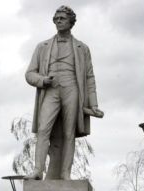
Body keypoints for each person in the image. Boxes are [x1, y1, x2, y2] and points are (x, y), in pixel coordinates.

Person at [24, 5, 103, 180]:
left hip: (72, 87)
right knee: (43, 129)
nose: (58, 21)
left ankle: (65, 173)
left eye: (62, 18)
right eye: (56, 18)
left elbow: (90, 77)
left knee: (69, 133)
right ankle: (38, 170)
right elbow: (29, 74)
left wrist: (94, 104)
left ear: (71, 21)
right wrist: (43, 80)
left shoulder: (82, 48)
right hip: (50, 88)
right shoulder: (42, 46)